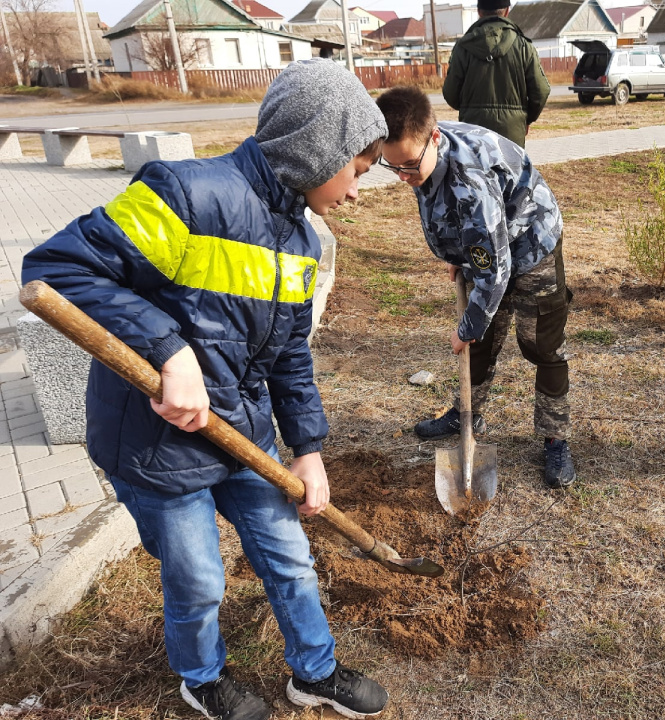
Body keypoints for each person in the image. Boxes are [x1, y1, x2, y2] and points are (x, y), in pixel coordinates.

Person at [21, 60, 390, 720]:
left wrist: (307, 447)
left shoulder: (301, 243)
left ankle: (315, 671)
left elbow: (289, 361)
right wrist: (169, 348)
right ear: (316, 151)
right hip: (158, 444)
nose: (358, 191)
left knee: (290, 559)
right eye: (357, 170)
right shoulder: (184, 194)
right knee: (198, 579)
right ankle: (202, 677)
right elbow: (57, 267)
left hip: (242, 435)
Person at [375, 86, 575, 489]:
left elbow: (496, 272)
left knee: (541, 345)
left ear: (434, 139)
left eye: (409, 167)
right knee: (481, 341)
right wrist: (457, 252)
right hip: (489, 245)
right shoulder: (421, 147)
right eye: (392, 166)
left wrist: (464, 328)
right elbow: (451, 215)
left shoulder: (471, 184)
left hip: (531, 244)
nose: (403, 177)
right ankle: (467, 414)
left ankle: (556, 438)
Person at [441, 0, 550, 147]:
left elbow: (450, 94)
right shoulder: (524, 46)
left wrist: (469, 109)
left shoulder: (463, 48)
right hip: (512, 133)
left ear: (479, 12)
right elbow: (541, 91)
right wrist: (525, 118)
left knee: (477, 170)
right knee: (510, 169)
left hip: (473, 132)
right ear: (506, 11)